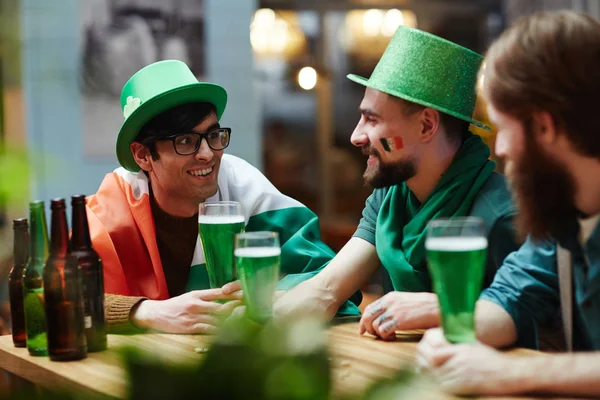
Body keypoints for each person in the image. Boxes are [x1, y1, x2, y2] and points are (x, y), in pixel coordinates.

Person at [273, 25, 519, 332]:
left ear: (426, 126)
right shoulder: (391, 197)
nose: (355, 136)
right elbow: (326, 289)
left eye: (371, 119)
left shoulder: (504, 215)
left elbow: (538, 329)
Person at [88, 60, 359, 334]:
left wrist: (270, 296)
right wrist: (147, 311)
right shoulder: (112, 208)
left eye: (213, 135)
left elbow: (332, 278)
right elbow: (62, 299)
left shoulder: (245, 188)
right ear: (143, 155)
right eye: (185, 141)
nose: (208, 153)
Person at [417, 11, 600, 397]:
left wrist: (512, 372)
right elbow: (512, 296)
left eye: (503, 129)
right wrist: (455, 339)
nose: (498, 150)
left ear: (545, 127)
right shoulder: (564, 216)